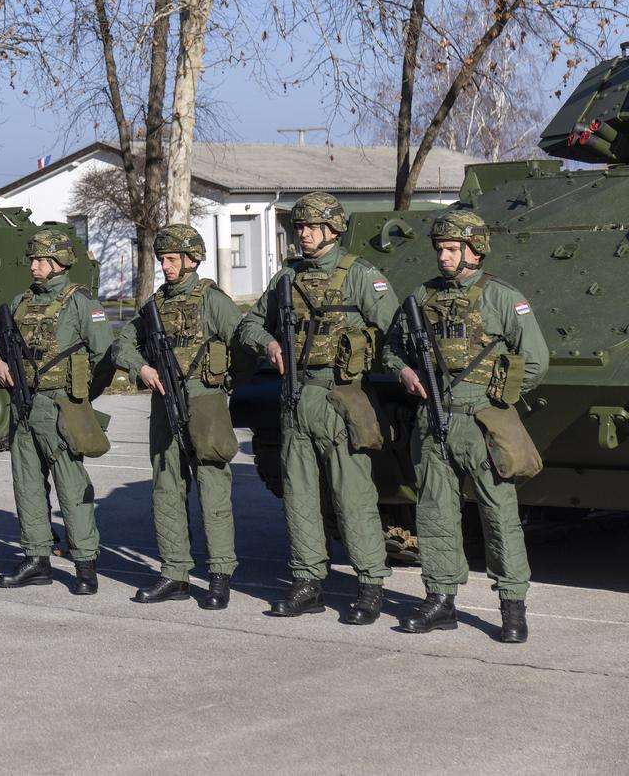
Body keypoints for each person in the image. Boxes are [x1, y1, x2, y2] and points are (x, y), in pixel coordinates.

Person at [387, 211, 549, 644]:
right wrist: (404, 372)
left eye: (452, 249)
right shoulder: (421, 296)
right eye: (439, 249)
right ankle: (440, 600)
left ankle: (512, 605)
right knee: (434, 513)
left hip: (482, 421)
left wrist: (498, 396)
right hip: (433, 420)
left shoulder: (501, 297)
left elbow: (535, 361)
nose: (443, 256)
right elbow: (392, 348)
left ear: (475, 250)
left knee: (499, 515)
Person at [235, 192, 397, 624]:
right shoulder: (287, 278)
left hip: (343, 396)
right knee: (300, 496)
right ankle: (307, 581)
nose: (303, 234)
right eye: (299, 227)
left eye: (311, 227)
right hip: (295, 396)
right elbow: (250, 323)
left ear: (333, 230)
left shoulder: (361, 275)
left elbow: (394, 332)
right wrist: (268, 343)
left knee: (353, 496)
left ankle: (370, 585)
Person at [109, 225, 243, 608]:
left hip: (206, 403)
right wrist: (141, 368)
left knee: (212, 489)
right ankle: (174, 573)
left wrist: (228, 382)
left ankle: (219, 575)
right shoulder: (155, 306)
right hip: (164, 404)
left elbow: (244, 338)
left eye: (171, 259)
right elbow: (122, 344)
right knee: (166, 488)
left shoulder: (212, 301)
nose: (165, 266)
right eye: (162, 259)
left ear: (192, 260)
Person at [0, 228, 112, 596]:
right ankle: (36, 558)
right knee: (26, 484)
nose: (34, 266)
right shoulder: (21, 301)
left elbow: (106, 356)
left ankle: (85, 564)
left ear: (60, 262)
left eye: (42, 260)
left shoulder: (81, 302)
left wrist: (81, 398)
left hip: (60, 405)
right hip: (23, 405)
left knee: (71, 487)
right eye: (32, 260)